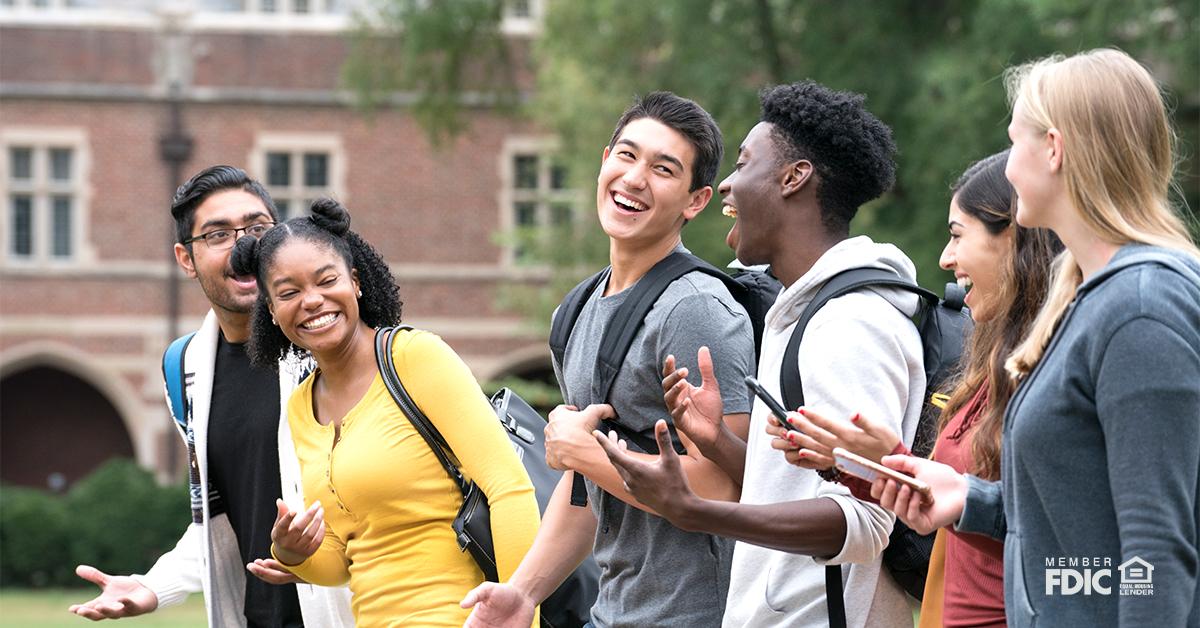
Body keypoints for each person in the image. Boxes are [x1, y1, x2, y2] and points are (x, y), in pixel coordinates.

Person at [875, 48, 1200, 627]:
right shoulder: (1092, 299)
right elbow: (1084, 535)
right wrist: (966, 500)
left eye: (1013, 140)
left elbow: (1155, 552)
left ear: (1053, 148)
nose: (1006, 167)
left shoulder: (1142, 309)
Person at [596, 81, 925, 627]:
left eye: (745, 163)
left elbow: (866, 522)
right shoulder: (802, 312)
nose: (726, 183)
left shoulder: (850, 323)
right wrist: (717, 442)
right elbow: (801, 491)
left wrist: (697, 512)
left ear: (794, 177)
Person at [460, 92, 756, 628]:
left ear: (696, 201)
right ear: (604, 162)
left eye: (663, 169)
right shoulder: (576, 309)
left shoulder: (694, 310)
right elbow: (584, 490)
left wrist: (586, 453)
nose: (635, 178)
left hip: (698, 617)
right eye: (627, 155)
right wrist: (524, 592)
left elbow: (724, 488)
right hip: (613, 612)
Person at [772, 150, 1063, 627]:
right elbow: (947, 505)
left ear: (1012, 238)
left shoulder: (1059, 371)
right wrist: (859, 464)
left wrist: (698, 510)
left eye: (957, 235)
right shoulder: (992, 367)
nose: (946, 258)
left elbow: (1070, 536)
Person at [228, 198, 540, 626]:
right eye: (289, 292)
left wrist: (522, 610)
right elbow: (341, 558)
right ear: (272, 312)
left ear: (354, 281)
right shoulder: (301, 407)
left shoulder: (414, 357)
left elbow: (509, 489)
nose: (313, 301)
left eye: (326, 280)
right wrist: (292, 552)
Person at [68, 165, 354, 626]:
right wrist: (152, 587)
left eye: (258, 228)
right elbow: (221, 520)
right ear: (186, 258)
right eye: (218, 234)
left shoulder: (333, 348)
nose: (244, 247)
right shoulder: (184, 369)